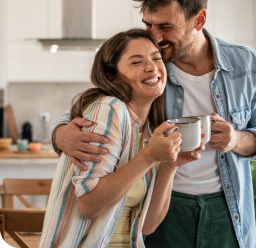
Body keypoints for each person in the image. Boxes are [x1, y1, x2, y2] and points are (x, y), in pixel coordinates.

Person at [50, 0, 256, 248]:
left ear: (199, 20)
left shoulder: (245, 65)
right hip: (160, 205)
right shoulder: (151, 70)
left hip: (228, 207)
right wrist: (61, 135)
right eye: (149, 24)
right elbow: (84, 111)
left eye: (166, 27)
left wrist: (236, 139)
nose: (155, 37)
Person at [40, 28, 204, 248]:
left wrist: (169, 165)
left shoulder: (148, 130)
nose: (151, 67)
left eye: (156, 58)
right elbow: (89, 205)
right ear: (111, 76)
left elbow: (147, 226)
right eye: (136, 62)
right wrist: (148, 157)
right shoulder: (110, 109)